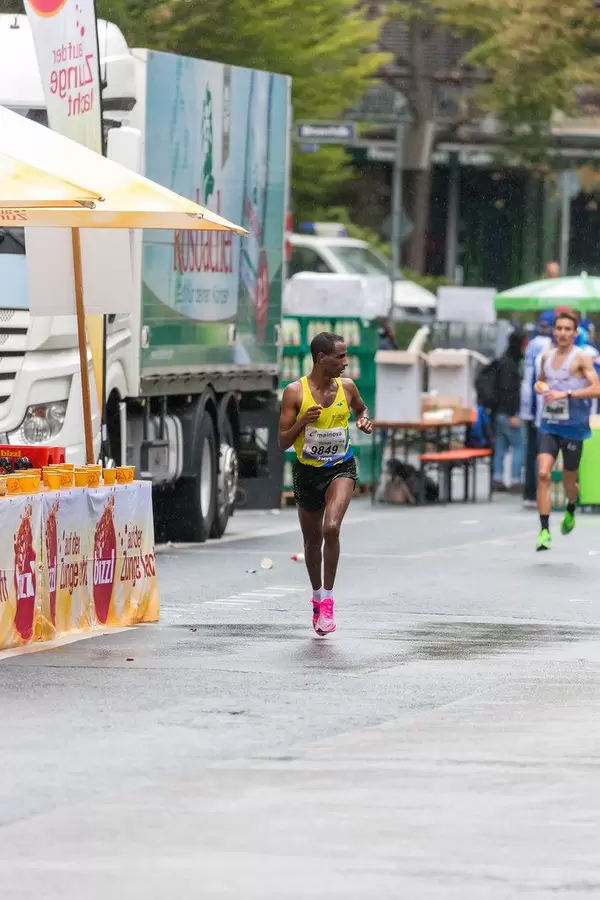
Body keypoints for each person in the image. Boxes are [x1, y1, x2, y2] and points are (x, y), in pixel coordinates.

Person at [278, 332, 372, 634]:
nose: (346, 363)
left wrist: (363, 420)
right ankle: (317, 596)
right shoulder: (294, 392)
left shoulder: (348, 387)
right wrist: (303, 421)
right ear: (322, 358)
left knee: (331, 528)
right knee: (312, 540)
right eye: (340, 357)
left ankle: (329, 600)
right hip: (307, 472)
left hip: (341, 467)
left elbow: (361, 408)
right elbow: (282, 442)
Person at [534, 310, 600, 551]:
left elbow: (597, 389)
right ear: (554, 330)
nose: (562, 333)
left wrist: (567, 394)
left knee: (570, 483)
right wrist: (540, 386)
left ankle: (572, 506)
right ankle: (544, 531)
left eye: (567, 329)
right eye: (558, 328)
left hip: (574, 429)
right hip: (549, 425)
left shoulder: (582, 358)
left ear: (575, 333)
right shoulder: (546, 356)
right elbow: (541, 380)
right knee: (543, 474)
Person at [521, 311, 554, 506]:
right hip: (539, 406)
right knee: (542, 452)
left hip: (528, 405)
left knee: (531, 450)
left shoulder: (532, 344)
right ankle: (537, 492)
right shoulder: (546, 348)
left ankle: (529, 491)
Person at [492, 332, 525, 493]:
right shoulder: (511, 364)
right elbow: (509, 391)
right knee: (520, 445)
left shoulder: (502, 361)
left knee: (501, 446)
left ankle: (497, 478)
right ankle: (515, 479)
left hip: (498, 412)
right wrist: (513, 414)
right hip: (508, 413)